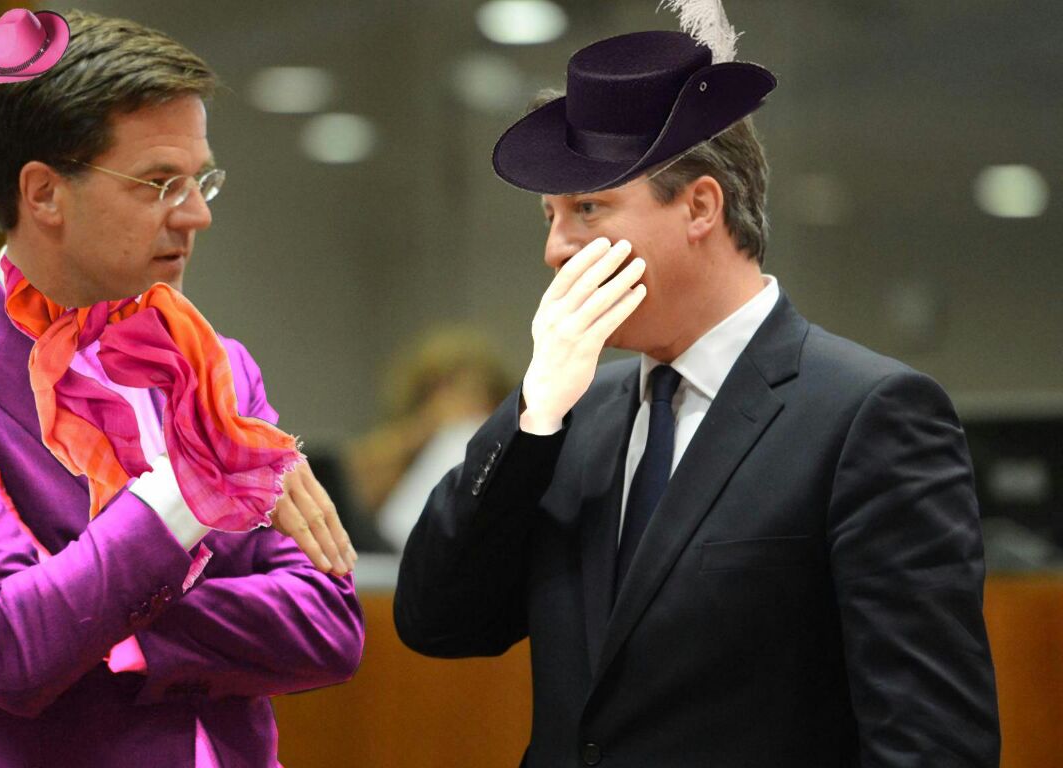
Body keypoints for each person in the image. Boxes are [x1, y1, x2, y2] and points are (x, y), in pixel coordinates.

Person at [394, 28, 1000, 767]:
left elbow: (932, 740)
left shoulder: (868, 415)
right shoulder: (570, 414)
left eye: (589, 208)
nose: (555, 248)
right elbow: (438, 622)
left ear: (701, 207)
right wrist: (532, 417)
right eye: (549, 216)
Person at [0, 9, 362, 767]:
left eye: (201, 179)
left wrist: (101, 627)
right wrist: (193, 483)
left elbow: (329, 626)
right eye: (160, 183)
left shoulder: (222, 366)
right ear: (44, 194)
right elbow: (10, 650)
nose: (197, 214)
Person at [344, 325, 512, 550]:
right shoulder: (406, 446)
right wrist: (426, 427)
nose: (451, 404)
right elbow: (352, 481)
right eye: (438, 390)